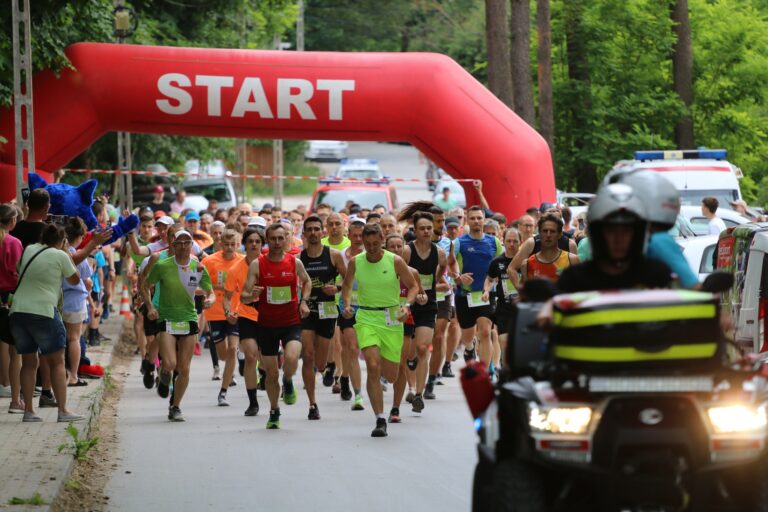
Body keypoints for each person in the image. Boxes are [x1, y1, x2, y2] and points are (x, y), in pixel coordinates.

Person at [342, 223, 418, 437]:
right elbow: (347, 285)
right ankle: (380, 418)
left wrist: (407, 306)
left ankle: (388, 396)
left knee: (392, 375)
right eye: (368, 244)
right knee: (373, 365)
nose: (372, 248)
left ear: (382, 240)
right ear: (362, 243)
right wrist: (347, 304)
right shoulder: (356, 262)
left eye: (376, 243)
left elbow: (413, 286)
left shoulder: (395, 261)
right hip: (366, 317)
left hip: (391, 318)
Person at [10, 223, 84, 423]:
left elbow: (19, 269)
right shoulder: (60, 255)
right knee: (57, 362)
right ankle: (63, 410)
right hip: (43, 312)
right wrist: (67, 253)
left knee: (28, 362)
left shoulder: (30, 249)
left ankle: (29, 412)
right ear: (62, 241)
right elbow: (75, 280)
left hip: (18, 311)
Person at [241, 223, 312, 429]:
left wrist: (304, 301)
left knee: (291, 358)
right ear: (267, 240)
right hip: (266, 325)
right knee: (271, 374)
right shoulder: (257, 264)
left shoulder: (294, 262)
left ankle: (288, 381)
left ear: (286, 240)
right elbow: (244, 296)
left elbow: (306, 282)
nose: (277, 242)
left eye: (281, 238)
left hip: (291, 322)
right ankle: (274, 411)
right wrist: (252, 295)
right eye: (273, 239)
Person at [143, 229, 215, 422]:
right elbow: (144, 285)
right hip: (166, 318)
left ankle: (175, 406)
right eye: (179, 243)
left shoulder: (198, 267)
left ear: (192, 245)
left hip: (189, 319)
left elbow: (210, 290)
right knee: (171, 363)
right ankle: (165, 373)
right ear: (173, 246)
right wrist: (150, 306)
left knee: (184, 368)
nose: (183, 247)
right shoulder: (163, 265)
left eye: (187, 242)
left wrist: (210, 300)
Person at [555, 183, 672, 293]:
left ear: (638, 235)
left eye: (626, 231)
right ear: (597, 234)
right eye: (611, 231)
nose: (618, 239)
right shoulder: (574, 279)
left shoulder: (656, 275)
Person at [299, 215, 347, 420]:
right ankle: (312, 404)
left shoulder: (334, 255)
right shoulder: (299, 258)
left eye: (316, 229)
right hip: (307, 310)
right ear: (304, 234)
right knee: (307, 356)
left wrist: (335, 288)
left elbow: (349, 280)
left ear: (322, 232)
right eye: (309, 229)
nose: (313, 233)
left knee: (319, 362)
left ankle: (327, 367)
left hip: (327, 310)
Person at [400, 210, 446, 409]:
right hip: (408, 305)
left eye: (429, 228)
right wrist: (413, 291)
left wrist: (431, 285)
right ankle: (410, 363)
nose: (427, 231)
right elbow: (399, 276)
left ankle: (418, 393)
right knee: (408, 351)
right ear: (415, 230)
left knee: (422, 348)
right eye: (422, 228)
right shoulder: (407, 251)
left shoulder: (439, 253)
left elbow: (442, 269)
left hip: (428, 304)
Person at [449, 206, 502, 367]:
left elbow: (500, 265)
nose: (476, 221)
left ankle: (484, 373)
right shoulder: (459, 242)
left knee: (486, 332)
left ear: (484, 219)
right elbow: (450, 265)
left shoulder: (494, 242)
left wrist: (495, 282)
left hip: (486, 294)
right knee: (466, 336)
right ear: (467, 220)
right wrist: (459, 277)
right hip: (465, 295)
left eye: (479, 218)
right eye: (473, 218)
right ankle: (470, 347)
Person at [223, 228, 265, 417]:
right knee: (250, 356)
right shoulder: (235, 269)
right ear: (245, 245)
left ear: (262, 244)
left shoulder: (269, 264)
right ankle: (253, 402)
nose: (254, 244)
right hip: (246, 315)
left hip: (269, 316)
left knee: (267, 360)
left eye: (257, 241)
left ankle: (266, 374)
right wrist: (229, 311)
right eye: (250, 241)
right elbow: (227, 296)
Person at [202, 229, 243, 406]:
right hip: (215, 313)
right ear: (220, 244)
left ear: (238, 244)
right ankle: (232, 366)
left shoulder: (243, 261)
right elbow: (198, 283)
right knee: (223, 354)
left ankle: (223, 392)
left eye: (233, 245)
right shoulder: (210, 261)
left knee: (232, 349)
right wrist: (212, 289)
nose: (229, 248)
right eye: (226, 244)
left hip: (235, 312)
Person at [336, 220, 366, 407]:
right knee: (352, 347)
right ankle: (358, 394)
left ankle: (345, 376)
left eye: (360, 236)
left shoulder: (370, 256)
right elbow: (341, 281)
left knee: (351, 349)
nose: (357, 239)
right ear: (348, 236)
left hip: (367, 307)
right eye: (353, 235)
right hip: (346, 307)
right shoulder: (340, 256)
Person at [483, 226, 521, 371]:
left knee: (518, 344)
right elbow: (489, 278)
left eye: (515, 241)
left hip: (521, 309)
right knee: (504, 342)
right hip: (504, 308)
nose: (512, 244)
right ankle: (505, 372)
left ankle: (514, 370)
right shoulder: (497, 262)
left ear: (520, 242)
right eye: (509, 241)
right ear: (503, 241)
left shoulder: (526, 261)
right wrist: (486, 291)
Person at [62, 218, 94, 387]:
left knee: (60, 340)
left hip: (59, 300)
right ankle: (73, 376)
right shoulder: (78, 255)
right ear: (81, 236)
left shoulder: (59, 253)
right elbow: (88, 282)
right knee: (74, 338)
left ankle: (61, 374)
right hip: (75, 301)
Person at [0, 205, 23, 413]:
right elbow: (17, 272)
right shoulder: (12, 242)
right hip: (9, 296)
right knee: (14, 346)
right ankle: (13, 394)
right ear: (12, 221)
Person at [518, 213, 579, 287]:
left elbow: (582, 290)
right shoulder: (528, 263)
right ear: (539, 233)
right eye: (545, 231)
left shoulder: (572, 260)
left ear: (560, 234)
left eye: (552, 231)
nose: (548, 235)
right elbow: (524, 295)